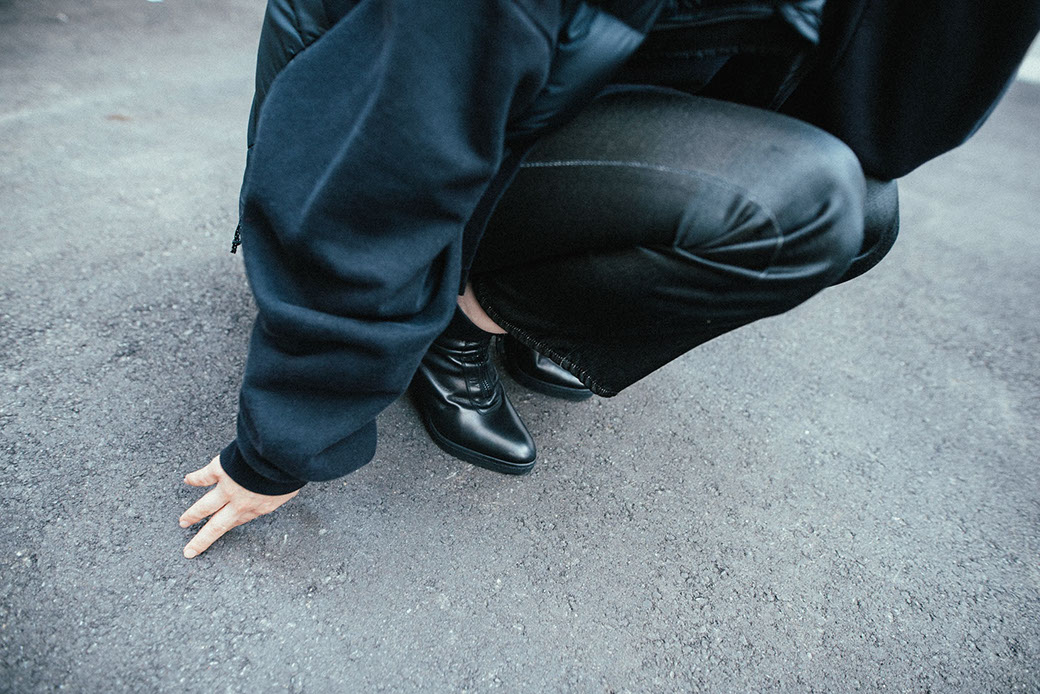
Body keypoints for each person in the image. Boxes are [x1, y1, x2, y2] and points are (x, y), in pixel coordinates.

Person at [178, 0, 1040, 558]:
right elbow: (383, 162)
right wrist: (285, 441)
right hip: (359, 126)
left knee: (866, 213)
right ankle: (457, 316)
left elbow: (885, 129)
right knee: (798, 205)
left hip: (549, 107)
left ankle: (502, 304)